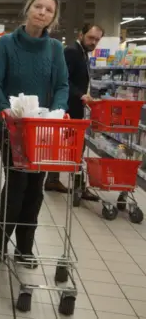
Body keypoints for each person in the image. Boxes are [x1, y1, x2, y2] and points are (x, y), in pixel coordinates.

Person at [0, 0, 69, 276]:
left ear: (53, 18)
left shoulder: (55, 49)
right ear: (29, 8)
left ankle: (24, 248)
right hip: (13, 128)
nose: (42, 12)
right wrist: (3, 110)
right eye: (38, 6)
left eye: (49, 9)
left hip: (43, 131)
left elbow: (62, 85)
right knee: (16, 186)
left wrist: (58, 112)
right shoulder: (7, 43)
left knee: (35, 189)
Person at [44, 23, 105, 202]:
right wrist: (81, 95)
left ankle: (53, 180)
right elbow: (63, 80)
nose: (93, 42)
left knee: (67, 147)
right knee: (77, 149)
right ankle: (79, 187)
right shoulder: (72, 52)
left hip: (72, 108)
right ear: (81, 34)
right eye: (90, 38)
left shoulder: (83, 53)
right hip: (68, 108)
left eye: (97, 39)